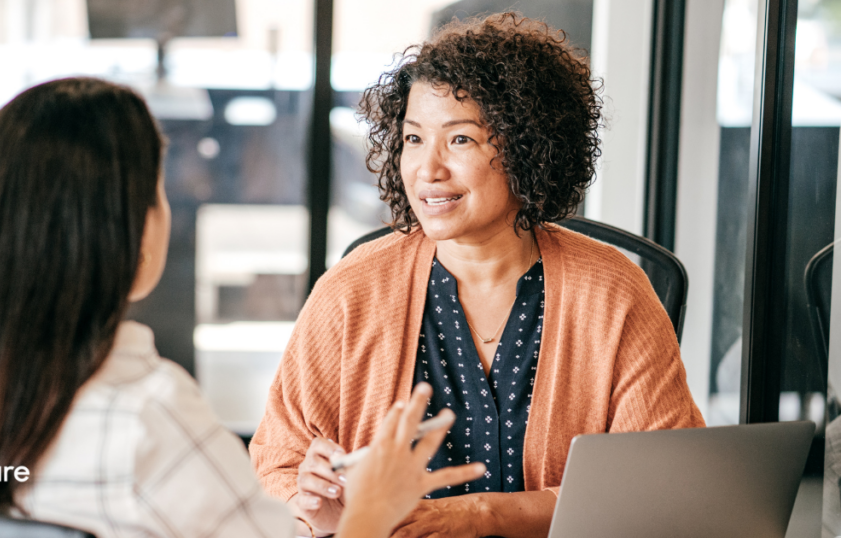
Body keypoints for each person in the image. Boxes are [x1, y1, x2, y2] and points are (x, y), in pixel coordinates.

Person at [0, 77, 483, 538]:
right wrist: (373, 510)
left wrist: (318, 519)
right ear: (128, 231)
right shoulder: (146, 415)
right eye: (159, 192)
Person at [250, 13, 705, 538]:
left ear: (528, 146)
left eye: (460, 140)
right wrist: (314, 506)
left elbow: (659, 486)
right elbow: (276, 467)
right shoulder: (352, 290)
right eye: (414, 139)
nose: (428, 169)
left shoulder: (612, 292)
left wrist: (483, 514)